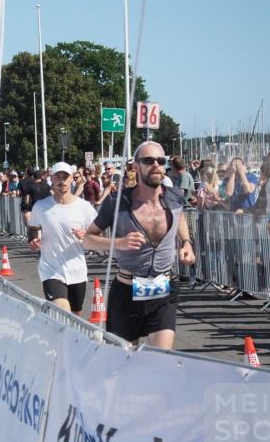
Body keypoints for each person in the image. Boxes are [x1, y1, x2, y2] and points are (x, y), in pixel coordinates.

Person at [81, 141, 195, 350]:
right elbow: (88, 238)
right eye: (148, 160)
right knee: (125, 360)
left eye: (161, 161)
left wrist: (186, 242)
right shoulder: (118, 202)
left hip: (163, 288)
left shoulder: (175, 197)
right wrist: (118, 243)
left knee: (162, 359)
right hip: (127, 290)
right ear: (135, 166)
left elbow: (179, 218)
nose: (156, 165)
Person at [27, 163, 98, 315]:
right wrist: (33, 242)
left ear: (72, 179)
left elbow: (98, 236)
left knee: (76, 317)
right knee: (63, 313)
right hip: (51, 270)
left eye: (65, 177)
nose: (62, 181)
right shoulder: (41, 206)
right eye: (57, 177)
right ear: (51, 179)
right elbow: (33, 229)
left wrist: (86, 235)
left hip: (77, 270)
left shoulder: (84, 207)